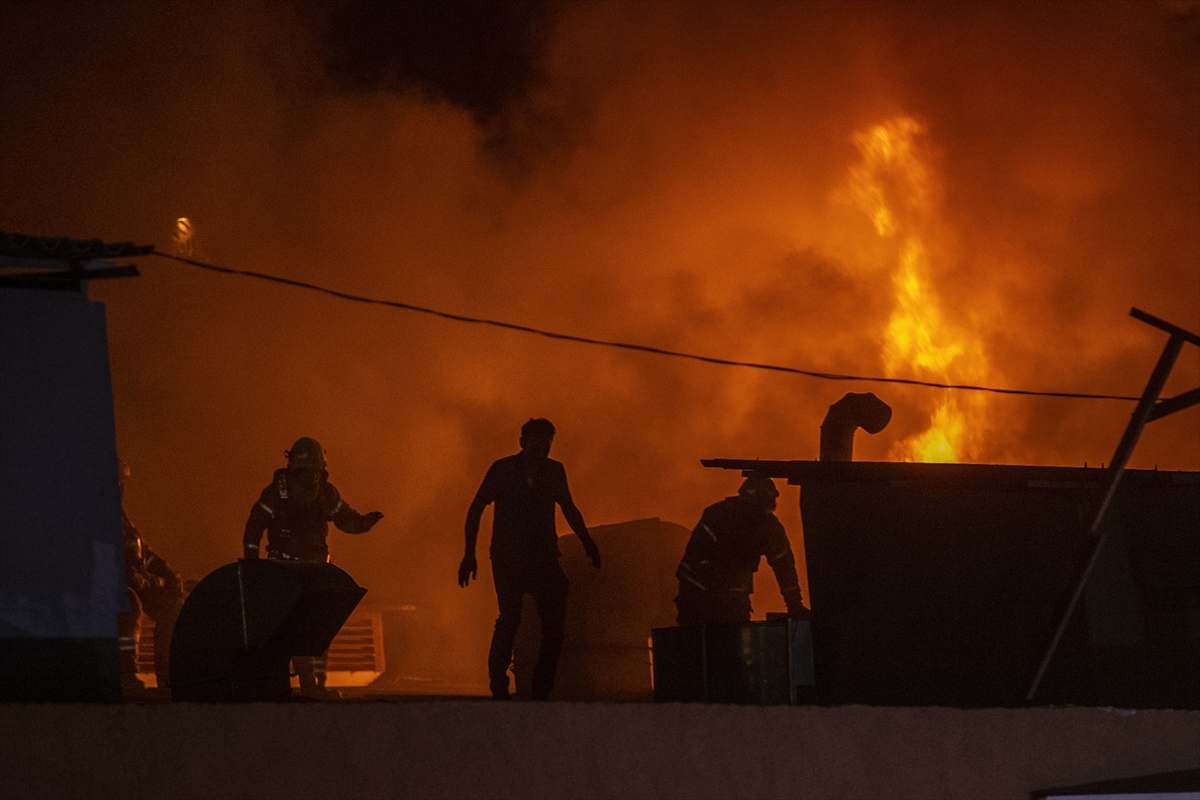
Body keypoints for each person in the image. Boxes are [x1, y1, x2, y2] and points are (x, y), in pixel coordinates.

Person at [459, 418, 601, 700]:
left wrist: (588, 541)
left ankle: (539, 691)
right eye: (538, 441)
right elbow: (475, 509)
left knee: (551, 627)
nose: (544, 446)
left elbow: (569, 508)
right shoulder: (502, 470)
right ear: (523, 442)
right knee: (510, 619)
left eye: (548, 441)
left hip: (543, 558)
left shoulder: (553, 471)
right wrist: (468, 554)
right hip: (509, 559)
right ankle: (500, 685)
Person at [243, 437, 383, 698]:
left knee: (320, 627)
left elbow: (345, 519)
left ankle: (317, 683)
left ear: (322, 471)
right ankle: (299, 683)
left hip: (317, 570)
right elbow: (254, 528)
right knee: (291, 628)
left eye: (316, 472)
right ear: (294, 470)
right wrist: (252, 568)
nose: (311, 479)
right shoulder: (276, 493)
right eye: (306, 472)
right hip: (283, 570)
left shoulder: (327, 494)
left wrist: (363, 523)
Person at [674, 475, 809, 625]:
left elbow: (784, 567)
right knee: (728, 642)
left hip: (714, 598)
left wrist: (794, 604)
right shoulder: (763, 525)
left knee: (712, 643)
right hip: (701, 596)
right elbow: (784, 567)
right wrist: (794, 605)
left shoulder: (719, 514)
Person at [116, 459, 186, 693]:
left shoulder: (122, 518)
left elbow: (144, 553)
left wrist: (166, 572)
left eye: (121, 482)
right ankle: (126, 674)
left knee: (173, 603)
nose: (119, 486)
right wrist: (137, 577)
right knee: (129, 605)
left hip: (136, 581)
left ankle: (167, 678)